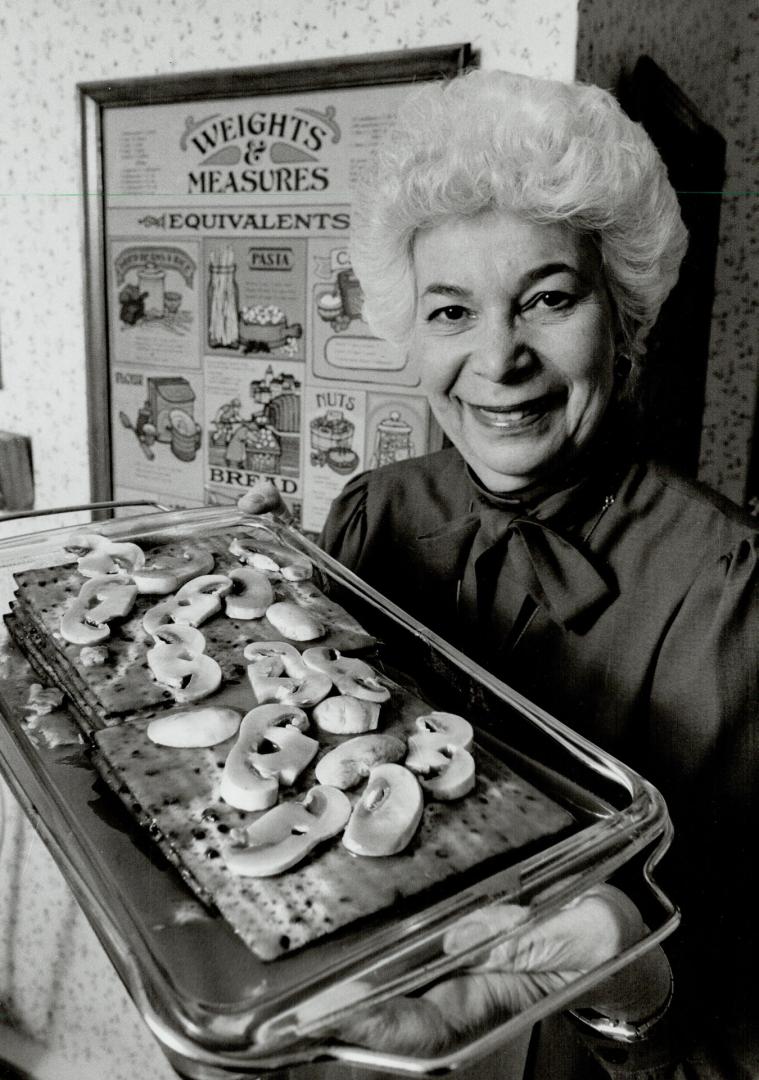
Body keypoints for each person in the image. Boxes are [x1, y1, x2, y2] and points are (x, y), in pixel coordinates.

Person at [240, 69, 758, 1079]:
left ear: (626, 312)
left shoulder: (732, 596)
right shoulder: (376, 512)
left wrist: (634, 994)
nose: (498, 358)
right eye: (451, 312)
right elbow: (304, 798)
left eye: (548, 298)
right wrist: (260, 624)